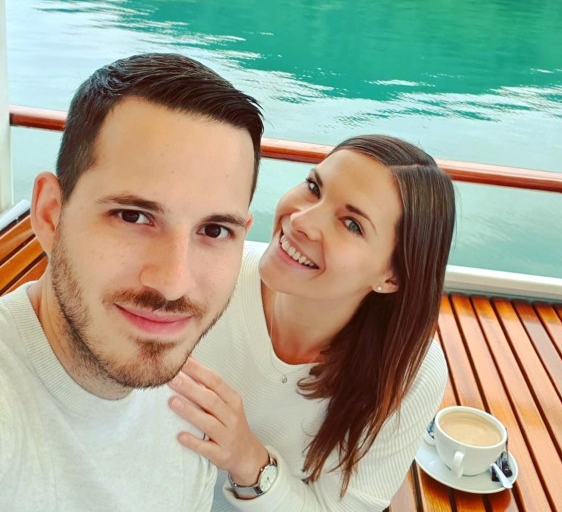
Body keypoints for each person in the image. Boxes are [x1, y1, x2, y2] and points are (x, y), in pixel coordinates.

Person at [0, 53, 263, 511]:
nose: (173, 284)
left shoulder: (191, 408)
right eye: (133, 216)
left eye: (214, 230)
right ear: (50, 215)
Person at [170, 134, 456, 510]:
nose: (301, 221)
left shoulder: (410, 372)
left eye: (351, 224)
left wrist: (249, 461)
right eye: (314, 187)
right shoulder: (203, 276)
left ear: (391, 276)